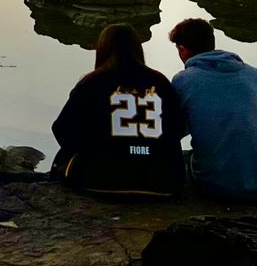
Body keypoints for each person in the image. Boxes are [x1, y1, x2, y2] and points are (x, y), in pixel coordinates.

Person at [168, 18, 257, 197]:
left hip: (210, 185)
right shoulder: (250, 74)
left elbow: (174, 131)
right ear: (212, 43)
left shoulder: (182, 81)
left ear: (182, 50)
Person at [50, 24, 187, 198]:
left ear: (102, 49)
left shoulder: (91, 83)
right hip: (163, 181)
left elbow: (62, 129)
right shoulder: (160, 82)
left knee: (64, 157)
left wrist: (94, 149)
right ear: (137, 49)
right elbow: (179, 128)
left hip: (98, 180)